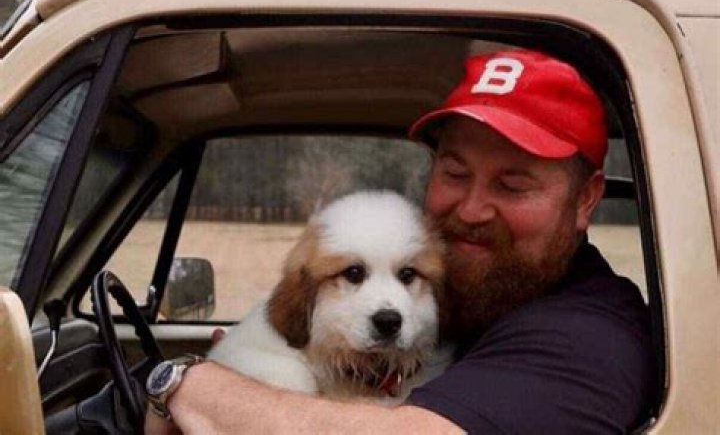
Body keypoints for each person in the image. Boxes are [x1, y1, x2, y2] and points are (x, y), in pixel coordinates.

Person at [145, 49, 656, 434]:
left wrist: (190, 385)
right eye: (455, 173)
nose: (471, 210)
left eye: (512, 185)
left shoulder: (587, 339)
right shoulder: (480, 293)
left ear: (586, 200)